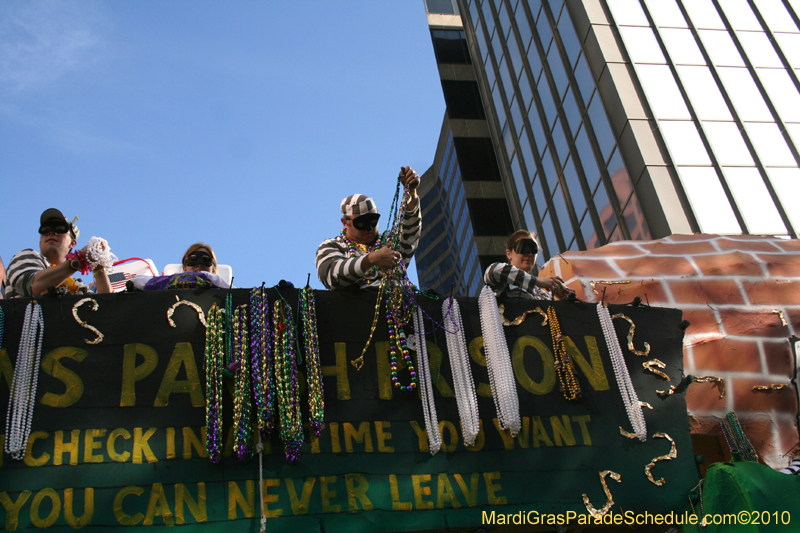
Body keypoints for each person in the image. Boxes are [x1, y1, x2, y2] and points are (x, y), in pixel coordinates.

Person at [316, 166, 421, 290]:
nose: (369, 228)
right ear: (345, 222)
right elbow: (331, 275)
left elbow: (409, 231)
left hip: (396, 307)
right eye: (361, 224)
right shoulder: (332, 245)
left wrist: (412, 193)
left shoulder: (388, 242)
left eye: (373, 221)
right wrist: (372, 259)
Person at [5, 208, 113, 299]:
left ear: (72, 243)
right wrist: (79, 260)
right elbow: (35, 286)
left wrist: (98, 265)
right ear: (40, 241)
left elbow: (105, 309)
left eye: (60, 228)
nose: (51, 232)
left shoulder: (78, 285)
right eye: (45, 229)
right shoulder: (26, 257)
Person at [483, 229, 574, 300]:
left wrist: (565, 298)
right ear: (509, 253)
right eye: (522, 247)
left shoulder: (543, 293)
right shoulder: (504, 281)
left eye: (533, 248)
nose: (529, 254)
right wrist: (537, 281)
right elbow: (493, 271)